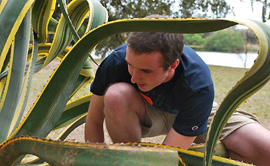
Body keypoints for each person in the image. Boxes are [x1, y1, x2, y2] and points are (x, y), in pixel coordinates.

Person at [85, 31, 270, 165]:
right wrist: (92, 161)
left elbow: (164, 158)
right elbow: (93, 120)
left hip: (192, 109)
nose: (133, 77)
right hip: (143, 109)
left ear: (173, 65)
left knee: (265, 148)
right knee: (116, 95)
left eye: (145, 71)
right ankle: (128, 161)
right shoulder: (115, 61)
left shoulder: (198, 83)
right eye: (130, 65)